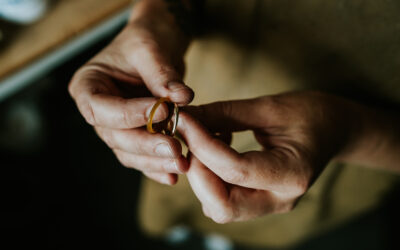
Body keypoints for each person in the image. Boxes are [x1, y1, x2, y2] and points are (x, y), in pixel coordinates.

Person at [68, 0, 400, 247]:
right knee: (180, 191)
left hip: (357, 155)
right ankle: (188, 224)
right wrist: (158, 19)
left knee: (263, 218)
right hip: (203, 64)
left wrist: (349, 130)